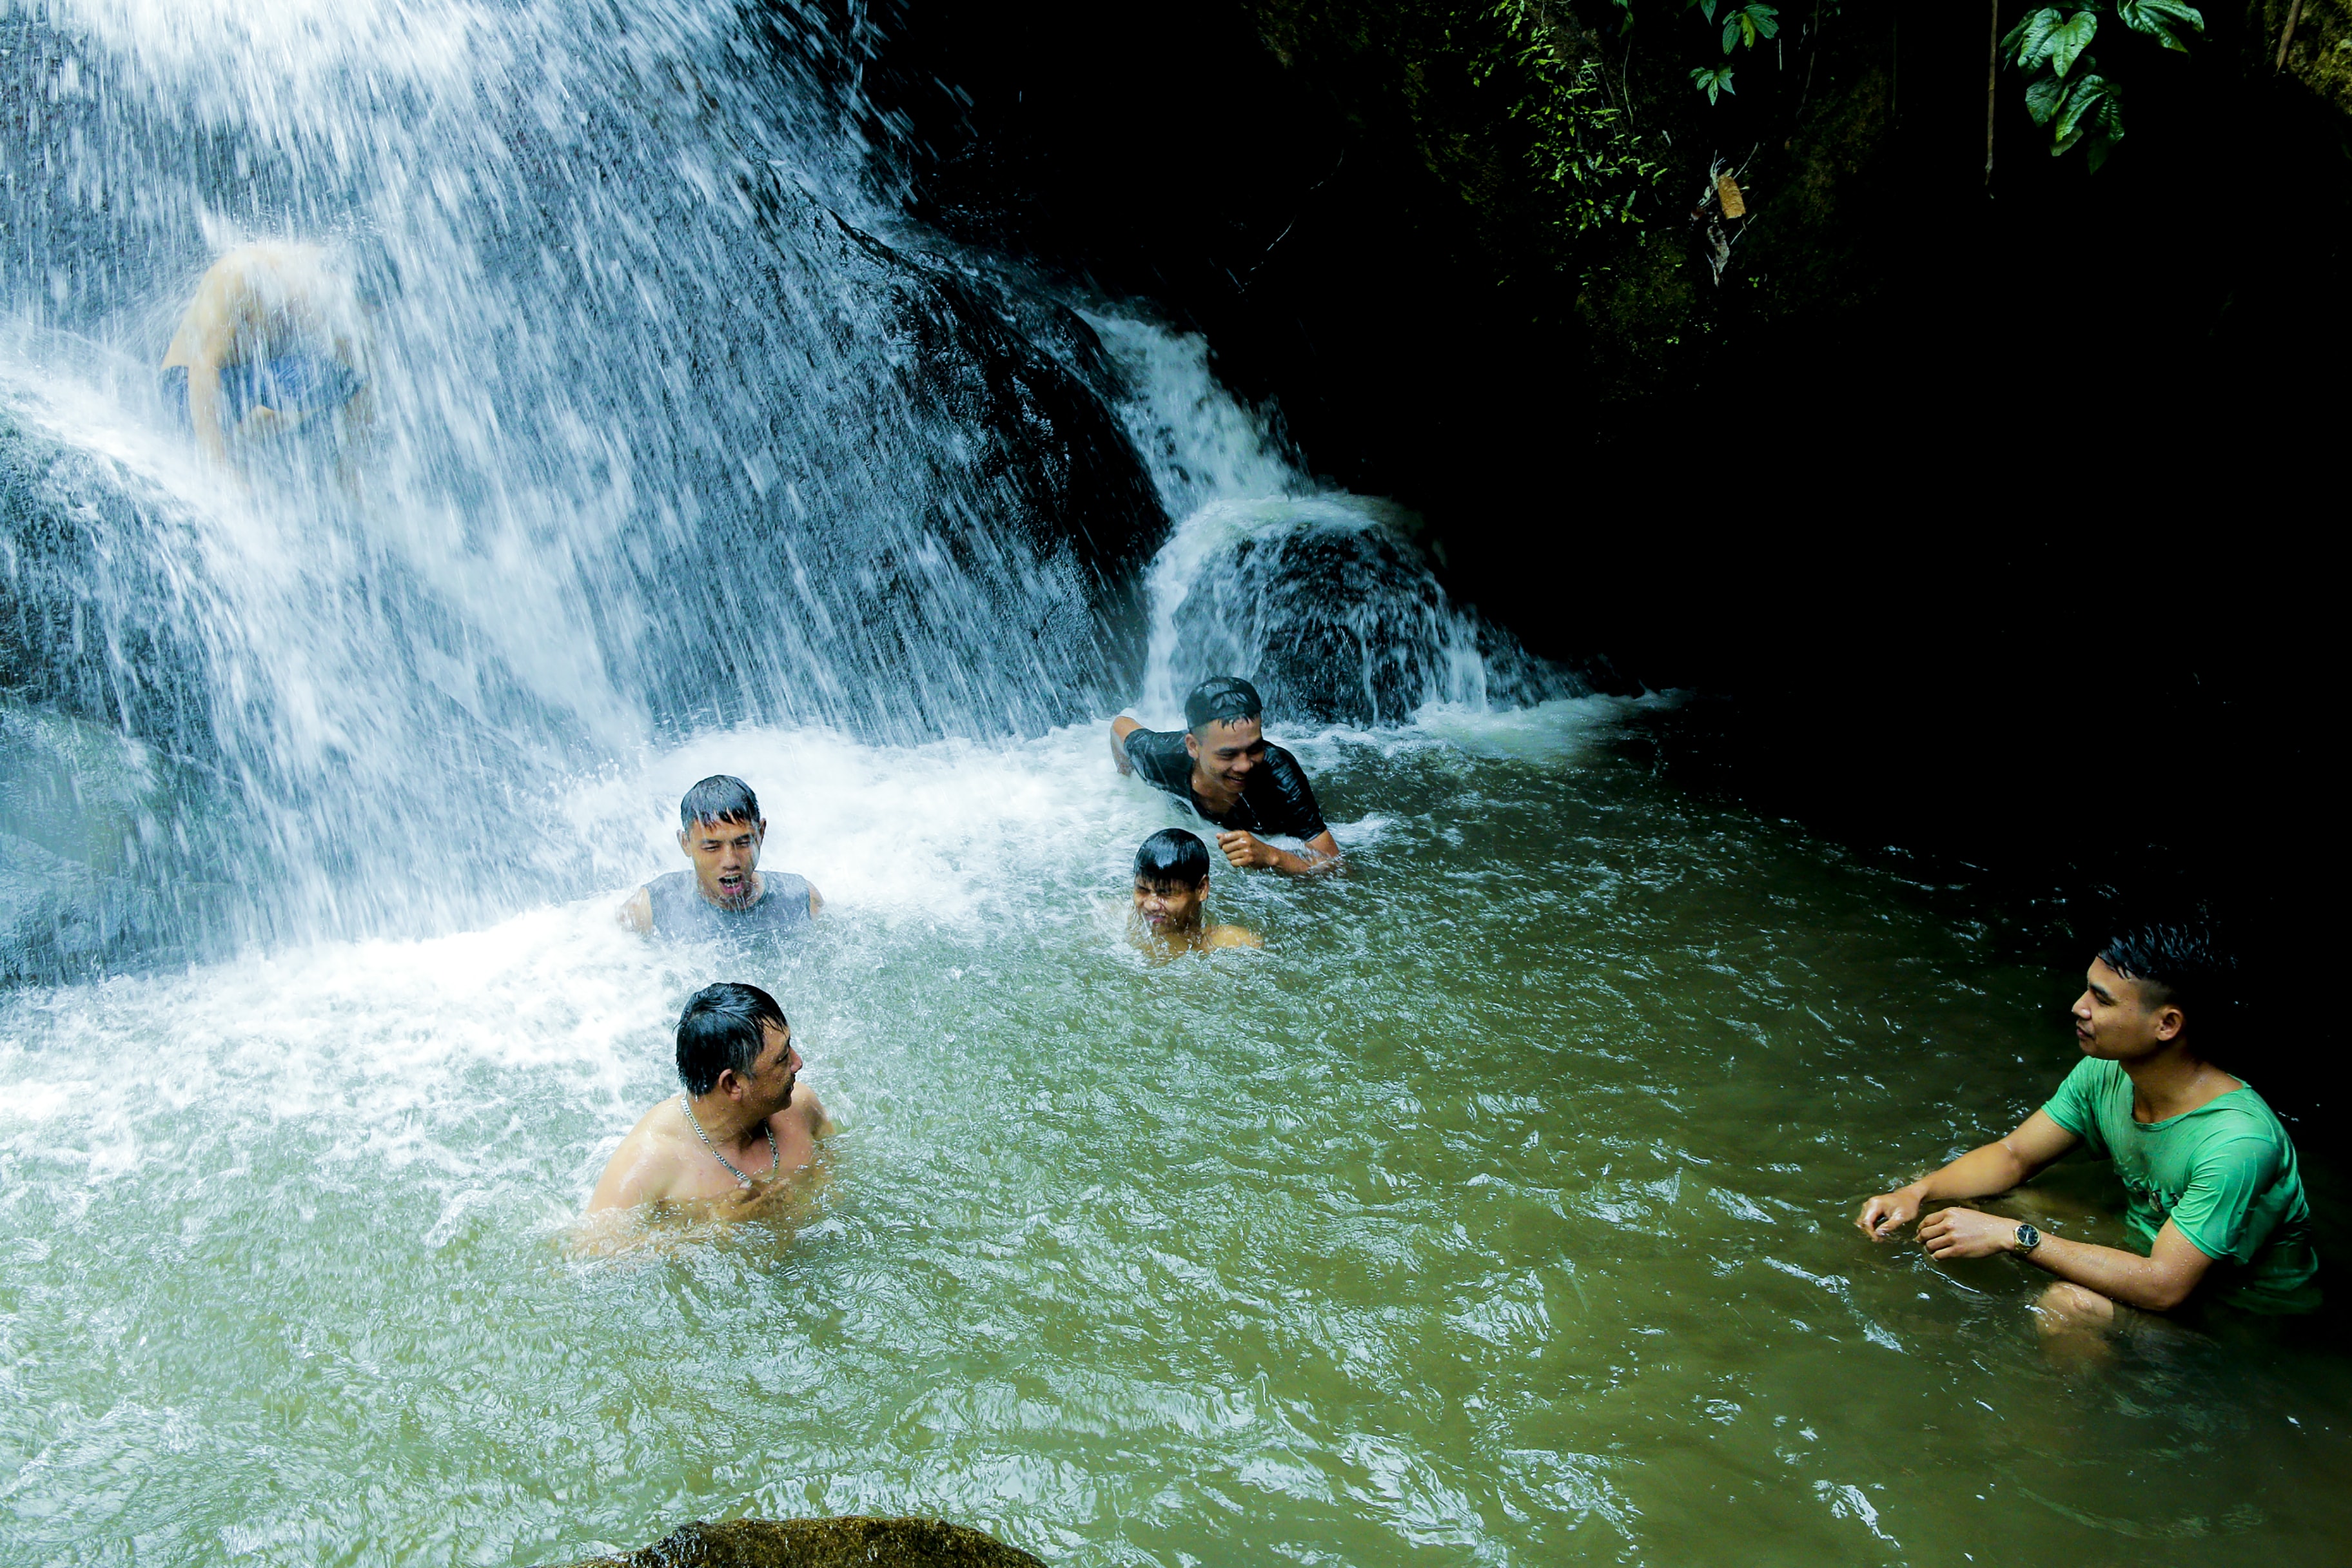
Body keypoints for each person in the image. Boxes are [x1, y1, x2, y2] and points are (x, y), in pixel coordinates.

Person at [1856, 921, 2319, 1333]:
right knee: (1973, 1195)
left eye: (2102, 999)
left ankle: (2048, 1427)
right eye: (2087, 991)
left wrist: (2013, 1235)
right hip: (2148, 1247)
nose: (2079, 1008)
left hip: (2236, 1313)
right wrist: (1915, 1192)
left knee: (2067, 1306)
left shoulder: (2236, 1143)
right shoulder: (2109, 1072)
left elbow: (2165, 1287)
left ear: (2168, 1024)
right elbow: (2014, 1156)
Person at [586, 982, 832, 1216]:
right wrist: (713, 1231)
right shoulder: (649, 1163)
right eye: (782, 1059)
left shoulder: (801, 1107)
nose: (798, 1063)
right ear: (733, 1084)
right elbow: (593, 1254)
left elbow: (840, 1186)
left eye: (789, 1045)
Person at [159, 242, 373, 473]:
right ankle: (232, 442)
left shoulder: (326, 292)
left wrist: (351, 473)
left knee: (348, 379)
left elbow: (356, 377)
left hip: (244, 386)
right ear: (322, 279)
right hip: (184, 390)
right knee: (313, 377)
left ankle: (250, 431)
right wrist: (220, 468)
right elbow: (202, 367)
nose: (325, 314)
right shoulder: (242, 276)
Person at [1110, 676, 1340, 876]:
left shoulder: (1279, 776)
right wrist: (1127, 782)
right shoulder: (1161, 758)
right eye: (1228, 754)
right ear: (1193, 746)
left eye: (1254, 749)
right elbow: (1120, 727)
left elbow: (1335, 867)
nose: (1244, 766)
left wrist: (1272, 856)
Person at [621, 775, 822, 937]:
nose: (730, 861)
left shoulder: (801, 900)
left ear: (760, 834)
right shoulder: (651, 909)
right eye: (712, 847)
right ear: (686, 843)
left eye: (743, 843)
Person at [1128, 829, 1260, 956]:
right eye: (1142, 890)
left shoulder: (1237, 945)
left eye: (1166, 894)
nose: (1151, 905)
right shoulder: (1117, 921)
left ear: (1201, 889)